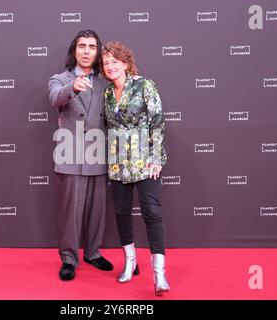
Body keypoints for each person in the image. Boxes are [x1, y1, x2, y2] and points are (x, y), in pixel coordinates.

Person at [101, 42, 170, 295]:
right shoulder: (107, 93)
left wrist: (155, 158)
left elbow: (158, 122)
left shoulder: (144, 85)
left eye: (114, 61)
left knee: (152, 212)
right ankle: (130, 263)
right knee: (121, 212)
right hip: (118, 163)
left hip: (145, 162)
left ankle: (159, 273)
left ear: (126, 63)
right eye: (106, 62)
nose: (110, 66)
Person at [48, 30, 113, 281]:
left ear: (98, 52)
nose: (87, 51)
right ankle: (68, 259)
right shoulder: (59, 79)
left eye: (92, 47)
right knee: (70, 213)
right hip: (70, 153)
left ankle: (93, 253)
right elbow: (55, 97)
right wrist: (72, 87)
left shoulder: (105, 81)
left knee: (97, 210)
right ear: (74, 50)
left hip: (98, 153)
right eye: (82, 46)